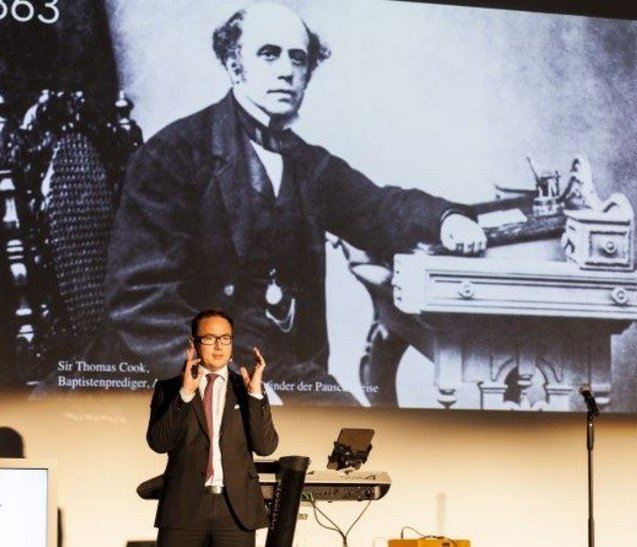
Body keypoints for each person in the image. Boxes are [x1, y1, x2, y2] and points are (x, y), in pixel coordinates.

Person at [97, 2, 487, 404]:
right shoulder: (173, 155)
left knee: (360, 436)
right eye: (269, 54)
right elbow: (141, 303)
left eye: (298, 58)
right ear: (234, 65)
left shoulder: (306, 163)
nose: (286, 70)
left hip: (279, 367)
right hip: (179, 373)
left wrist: (446, 219)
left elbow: (377, 208)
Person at [147, 309, 279, 547]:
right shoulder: (169, 389)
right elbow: (159, 442)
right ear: (194, 343)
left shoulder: (248, 388)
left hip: (236, 510)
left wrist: (255, 396)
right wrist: (185, 394)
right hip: (182, 507)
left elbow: (265, 446)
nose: (218, 346)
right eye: (209, 338)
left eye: (225, 338)